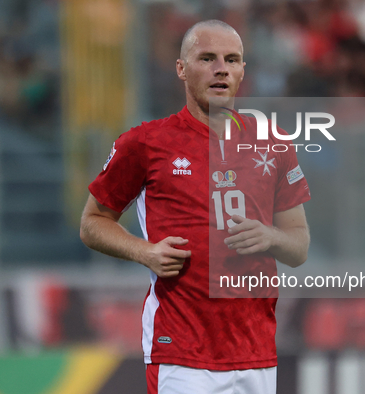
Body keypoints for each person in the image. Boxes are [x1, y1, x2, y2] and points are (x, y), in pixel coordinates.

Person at [80, 20, 310, 394]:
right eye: (207, 58)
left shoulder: (273, 142)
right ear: (181, 68)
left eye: (232, 60)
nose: (221, 68)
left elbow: (299, 247)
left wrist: (270, 236)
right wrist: (145, 252)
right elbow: (92, 223)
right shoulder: (145, 143)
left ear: (242, 71)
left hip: (257, 351)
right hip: (182, 351)